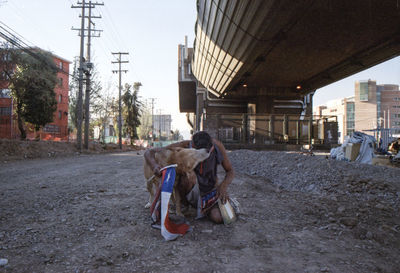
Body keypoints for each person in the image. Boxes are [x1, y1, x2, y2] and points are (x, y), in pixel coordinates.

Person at [144, 131, 234, 224]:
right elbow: (149, 152)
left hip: (210, 191)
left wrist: (223, 186)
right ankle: (184, 205)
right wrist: (154, 165)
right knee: (188, 174)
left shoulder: (217, 146)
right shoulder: (185, 146)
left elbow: (230, 171)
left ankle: (206, 208)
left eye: (208, 151)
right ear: (193, 146)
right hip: (192, 189)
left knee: (218, 217)